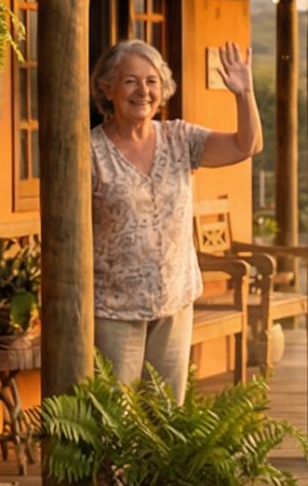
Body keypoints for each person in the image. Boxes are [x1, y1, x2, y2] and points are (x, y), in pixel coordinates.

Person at [88, 38, 259, 398]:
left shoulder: (179, 138)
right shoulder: (90, 151)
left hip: (174, 301)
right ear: (107, 88)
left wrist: (244, 94)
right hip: (114, 308)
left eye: (151, 81)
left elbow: (247, 146)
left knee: (166, 419)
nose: (143, 91)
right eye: (131, 81)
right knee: (115, 421)